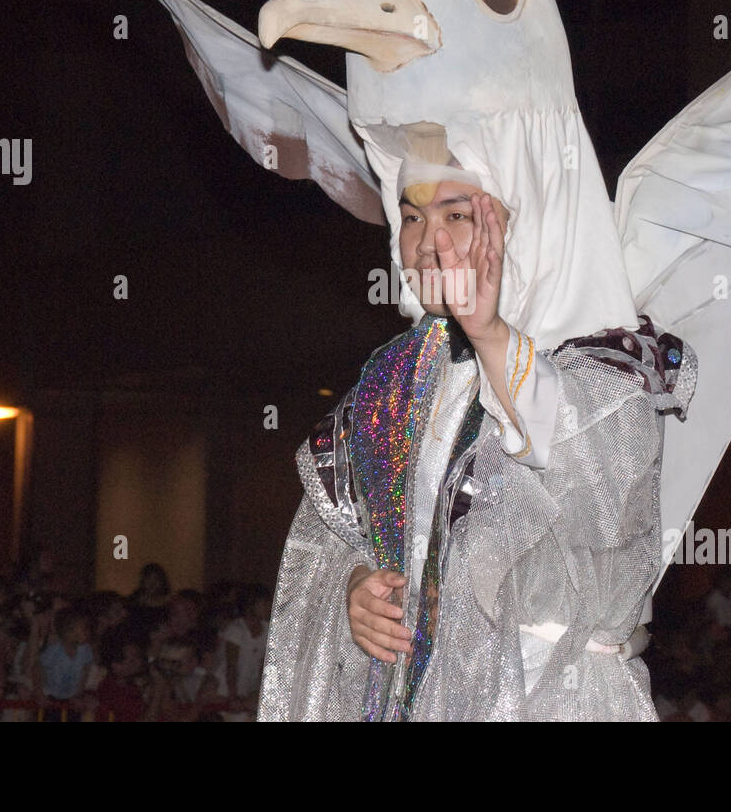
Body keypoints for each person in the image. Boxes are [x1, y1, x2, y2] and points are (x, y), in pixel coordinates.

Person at [260, 161, 696, 721]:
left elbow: (603, 506)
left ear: (521, 225)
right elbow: (332, 539)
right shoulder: (394, 381)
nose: (427, 243)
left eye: (458, 215)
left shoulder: (601, 363)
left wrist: (490, 334)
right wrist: (357, 585)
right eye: (412, 217)